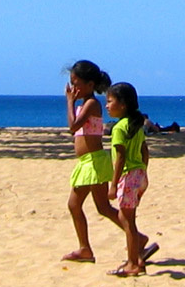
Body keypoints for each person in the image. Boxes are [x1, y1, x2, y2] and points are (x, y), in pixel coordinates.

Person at [62, 60, 119, 263]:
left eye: (76, 84)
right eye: (71, 84)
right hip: (88, 161)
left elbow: (73, 127)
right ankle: (137, 238)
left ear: (90, 84)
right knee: (103, 208)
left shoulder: (91, 104)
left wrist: (69, 102)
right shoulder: (84, 105)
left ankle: (85, 248)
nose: (73, 88)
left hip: (93, 162)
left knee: (74, 205)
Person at [106, 82, 160, 277]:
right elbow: (145, 151)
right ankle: (137, 256)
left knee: (128, 223)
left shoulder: (119, 128)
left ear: (123, 104)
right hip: (139, 176)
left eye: (110, 101)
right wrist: (143, 171)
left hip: (128, 177)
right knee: (127, 218)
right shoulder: (136, 125)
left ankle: (132, 263)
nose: (107, 106)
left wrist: (113, 184)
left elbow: (120, 157)